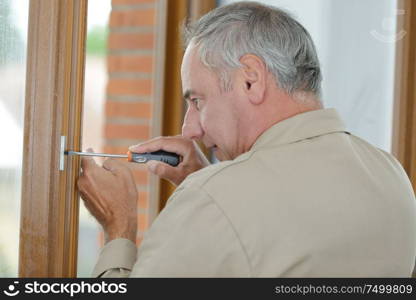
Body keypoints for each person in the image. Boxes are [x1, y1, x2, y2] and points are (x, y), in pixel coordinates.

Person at [77, 1, 416, 277]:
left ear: (251, 80)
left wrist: (118, 229)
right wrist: (205, 183)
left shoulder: (213, 198)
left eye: (197, 101)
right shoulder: (391, 176)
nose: (189, 130)